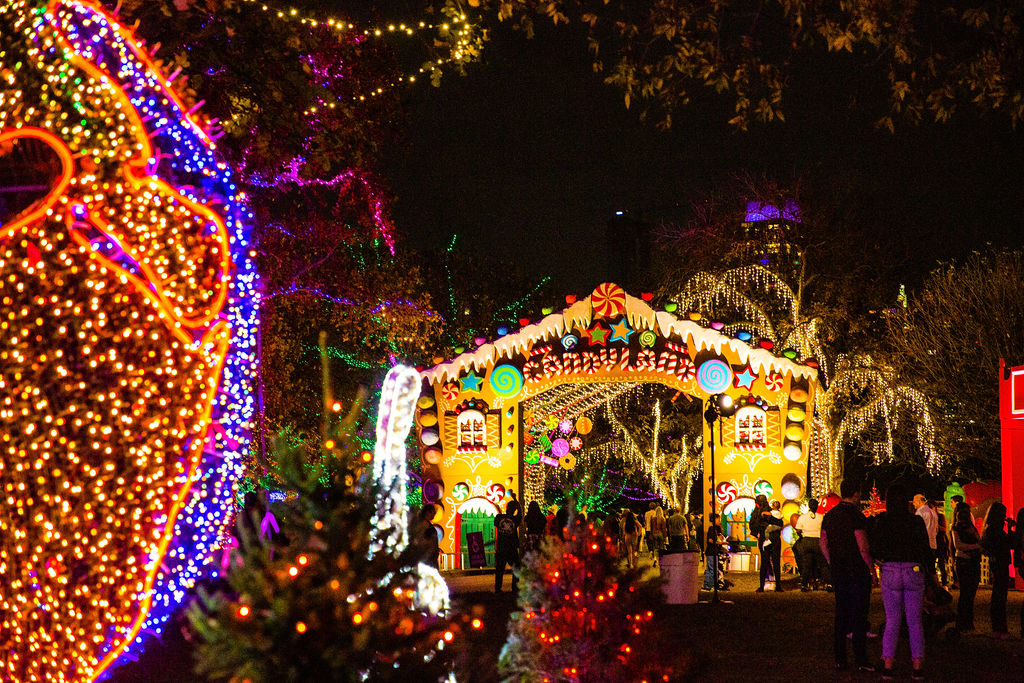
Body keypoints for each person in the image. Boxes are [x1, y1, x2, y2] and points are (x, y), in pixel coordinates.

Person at [870, 483, 929, 680]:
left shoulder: (883, 522)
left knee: (892, 620)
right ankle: (917, 665)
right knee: (914, 621)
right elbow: (925, 549)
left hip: (890, 569)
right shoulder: (916, 522)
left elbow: (875, 548)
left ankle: (888, 664)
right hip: (913, 569)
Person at [821, 480, 875, 673]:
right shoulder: (856, 516)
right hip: (856, 569)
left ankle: (840, 658)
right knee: (859, 614)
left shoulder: (830, 516)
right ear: (856, 494)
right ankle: (860, 658)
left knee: (841, 612)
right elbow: (862, 546)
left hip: (839, 569)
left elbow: (823, 542)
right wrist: (871, 568)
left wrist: (831, 561)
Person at [980, 501, 1012, 639]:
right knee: (1000, 596)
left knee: (998, 594)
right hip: (1000, 562)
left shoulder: (990, 529)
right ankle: (1000, 628)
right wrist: (1010, 529)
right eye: (1003, 514)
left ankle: (998, 628)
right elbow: (1008, 543)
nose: (1005, 516)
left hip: (997, 562)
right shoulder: (995, 530)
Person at [951, 501, 981, 634]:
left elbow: (977, 539)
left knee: (970, 594)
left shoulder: (971, 527)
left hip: (973, 561)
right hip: (964, 561)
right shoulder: (956, 528)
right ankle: (963, 623)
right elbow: (959, 546)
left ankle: (967, 623)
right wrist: (976, 547)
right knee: (965, 594)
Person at [795, 498, 828, 591]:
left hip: (807, 540)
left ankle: (804, 585)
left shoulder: (803, 517)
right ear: (817, 506)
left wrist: (802, 536)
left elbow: (798, 530)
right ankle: (828, 583)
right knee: (823, 564)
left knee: (807, 564)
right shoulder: (821, 517)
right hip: (818, 541)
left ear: (809, 506)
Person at [493, 502, 520, 593]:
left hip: (501, 547)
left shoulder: (499, 517)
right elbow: (520, 515)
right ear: (514, 510)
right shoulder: (514, 519)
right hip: (512, 548)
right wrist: (516, 501)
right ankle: (515, 588)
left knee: (499, 569)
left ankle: (498, 588)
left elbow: (495, 522)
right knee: (516, 568)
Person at [913, 493, 939, 575]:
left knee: (923, 570)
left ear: (919, 501)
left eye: (914, 501)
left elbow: (917, 531)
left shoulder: (919, 513)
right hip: (933, 544)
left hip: (923, 545)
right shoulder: (933, 512)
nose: (913, 503)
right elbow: (936, 530)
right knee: (931, 570)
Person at [703, 512, 728, 590]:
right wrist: (720, 543)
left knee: (712, 569)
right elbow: (710, 540)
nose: (719, 521)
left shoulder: (715, 529)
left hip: (714, 551)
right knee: (712, 569)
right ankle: (708, 585)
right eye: (718, 519)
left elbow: (718, 538)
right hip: (711, 551)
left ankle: (709, 585)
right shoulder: (712, 529)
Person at [418, 504, 441, 568]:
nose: (434, 515)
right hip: (427, 557)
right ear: (427, 512)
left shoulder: (427, 525)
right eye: (433, 513)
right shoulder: (424, 525)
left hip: (429, 556)